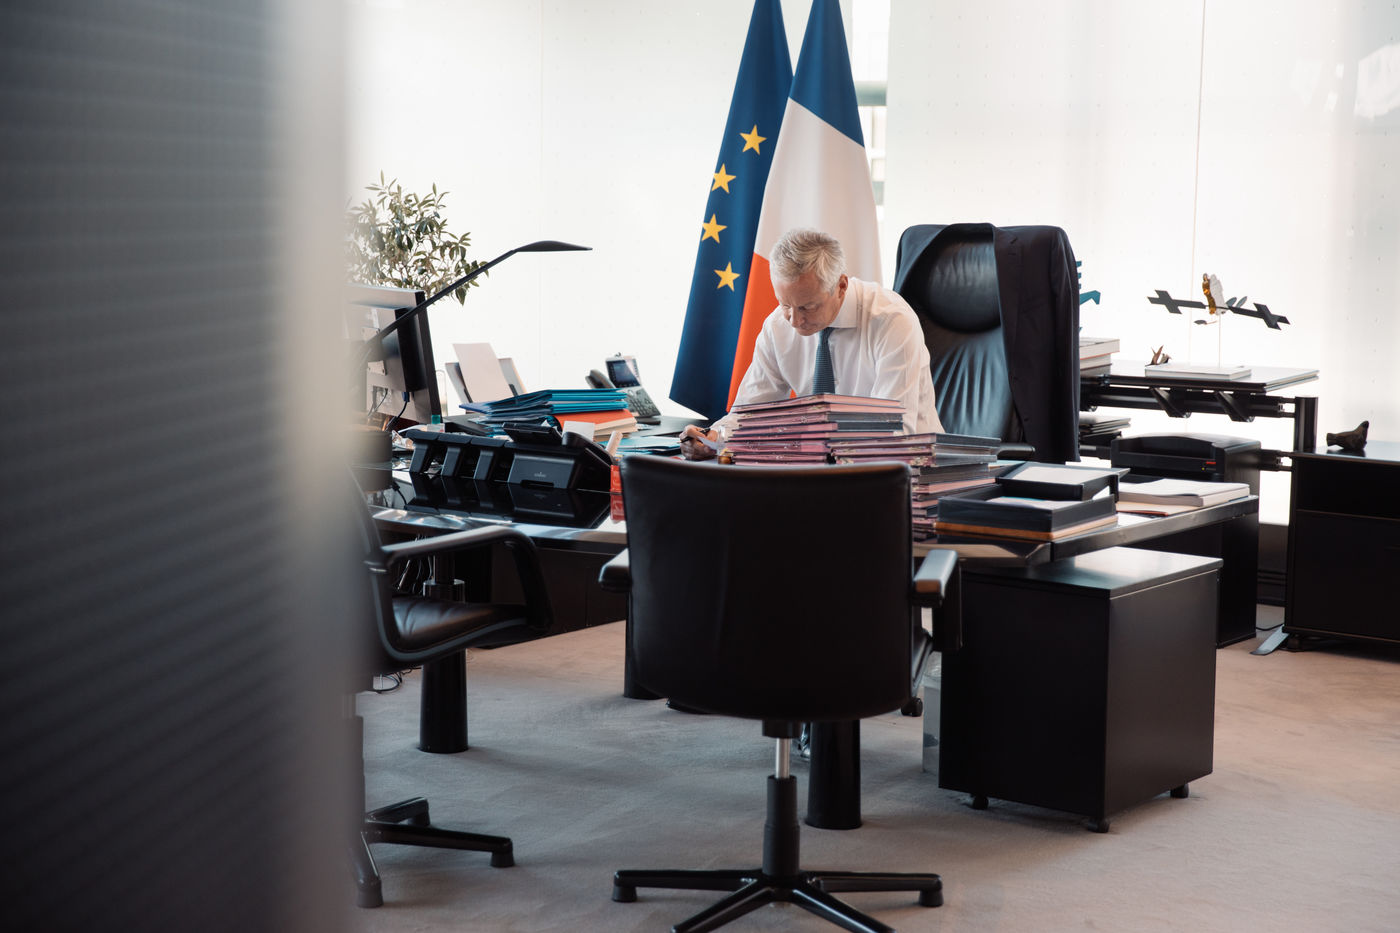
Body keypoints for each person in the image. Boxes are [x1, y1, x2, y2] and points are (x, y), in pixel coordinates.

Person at [680, 227, 943, 460]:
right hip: (820, 474)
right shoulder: (777, 326)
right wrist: (715, 438)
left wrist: (795, 440)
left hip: (912, 474)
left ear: (841, 286)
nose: (794, 320)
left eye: (808, 306)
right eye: (785, 304)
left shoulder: (891, 320)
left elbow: (893, 433)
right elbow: (751, 413)